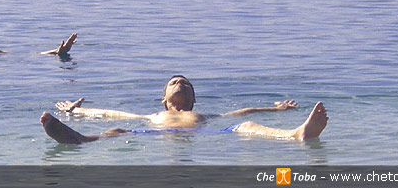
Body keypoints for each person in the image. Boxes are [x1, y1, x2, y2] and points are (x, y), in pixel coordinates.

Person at [40, 75, 328, 144]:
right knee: (117, 129)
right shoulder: (153, 116)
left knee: (245, 127)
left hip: (208, 132)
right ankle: (81, 139)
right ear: (164, 100)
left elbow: (244, 112)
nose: (178, 82)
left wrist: (275, 110)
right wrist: (79, 111)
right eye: (173, 82)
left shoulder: (201, 116)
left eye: (185, 84)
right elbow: (113, 113)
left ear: (192, 101)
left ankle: (295, 134)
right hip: (151, 134)